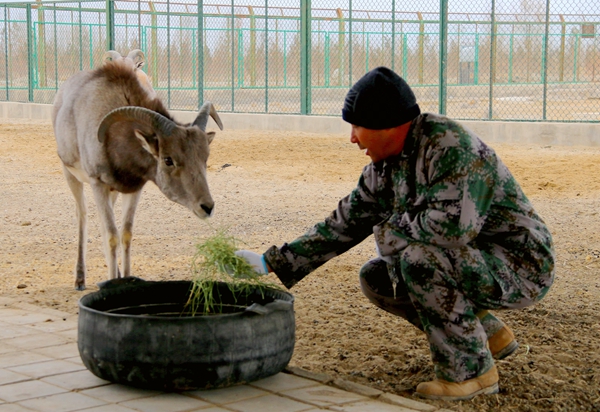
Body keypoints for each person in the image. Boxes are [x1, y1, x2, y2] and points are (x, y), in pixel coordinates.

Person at [234, 66, 555, 401]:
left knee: (418, 260)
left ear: (387, 124)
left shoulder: (450, 148)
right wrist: (271, 262)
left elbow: (452, 228)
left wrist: (389, 233)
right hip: (470, 261)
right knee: (378, 277)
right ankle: (487, 334)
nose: (353, 138)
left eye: (357, 126)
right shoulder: (386, 165)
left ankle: (471, 372)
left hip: (519, 264)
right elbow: (344, 222)